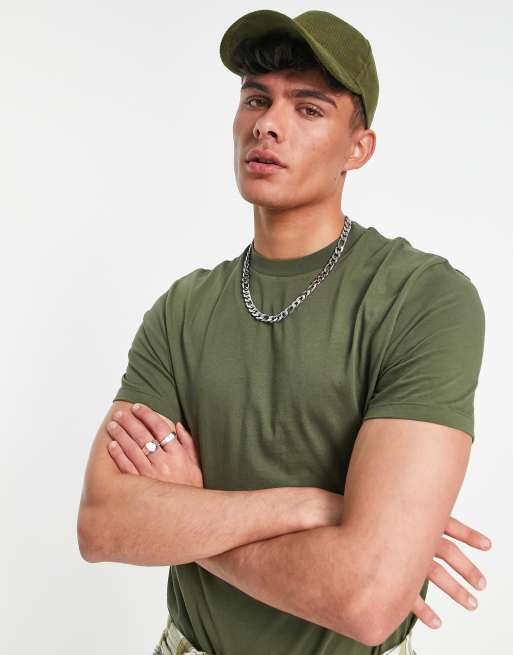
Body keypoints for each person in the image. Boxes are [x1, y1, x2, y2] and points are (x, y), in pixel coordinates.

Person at [77, 10, 491, 655]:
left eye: (309, 108)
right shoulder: (182, 309)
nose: (267, 124)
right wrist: (312, 505)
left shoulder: (422, 299)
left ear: (358, 149)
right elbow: (103, 526)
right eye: (255, 99)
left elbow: (368, 600)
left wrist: (190, 514)